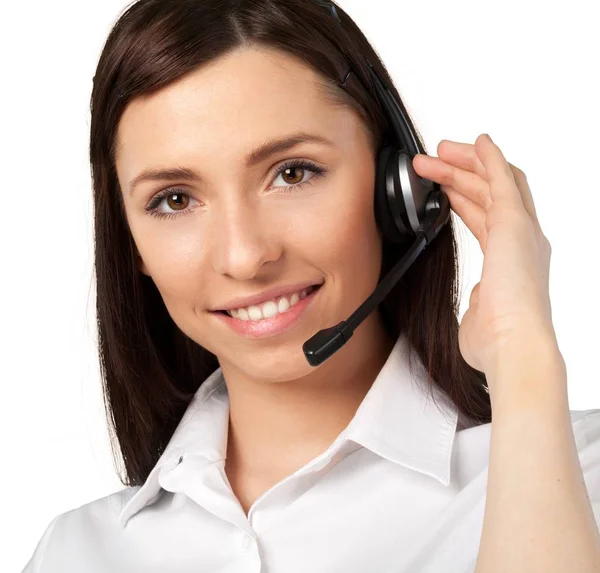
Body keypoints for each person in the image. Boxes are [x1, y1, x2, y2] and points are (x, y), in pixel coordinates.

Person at [23, 0, 600, 571]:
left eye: (292, 173)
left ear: (396, 187)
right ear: (131, 244)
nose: (246, 257)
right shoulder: (76, 552)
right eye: (175, 200)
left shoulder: (580, 474)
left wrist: (523, 355)